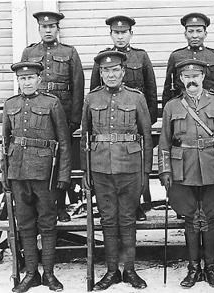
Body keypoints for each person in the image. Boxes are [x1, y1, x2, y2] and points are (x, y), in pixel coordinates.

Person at [158, 59, 214, 288]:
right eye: (186, 77)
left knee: (210, 216)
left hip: (213, 164)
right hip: (183, 168)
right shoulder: (172, 107)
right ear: (181, 80)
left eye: (196, 76)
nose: (192, 81)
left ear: (203, 77)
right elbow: (164, 141)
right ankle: (193, 269)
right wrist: (164, 170)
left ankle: (211, 269)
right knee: (191, 217)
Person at [80, 51, 152, 291]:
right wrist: (86, 171)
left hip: (130, 167)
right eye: (106, 71)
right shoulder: (91, 99)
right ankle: (112, 271)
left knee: (128, 219)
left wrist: (146, 171)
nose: (111, 75)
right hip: (100, 168)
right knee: (108, 220)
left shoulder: (136, 98)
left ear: (123, 72)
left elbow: (147, 137)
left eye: (115, 70)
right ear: (100, 74)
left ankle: (130, 270)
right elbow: (85, 137)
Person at [1, 61, 72, 292]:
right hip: (18, 173)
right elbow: (5, 143)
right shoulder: (10, 105)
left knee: (48, 224)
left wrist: (63, 174)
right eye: (23, 79)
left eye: (31, 78)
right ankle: (31, 274)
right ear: (18, 82)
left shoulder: (51, 103)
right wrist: (5, 175)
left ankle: (49, 274)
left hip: (45, 174)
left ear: (39, 80)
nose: (27, 82)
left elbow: (63, 142)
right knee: (25, 225)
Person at [90, 15, 158, 221]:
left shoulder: (141, 57)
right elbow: (95, 89)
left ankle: (136, 205)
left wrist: (148, 120)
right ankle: (108, 206)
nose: (120, 36)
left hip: (134, 120)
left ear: (131, 34)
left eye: (124, 32)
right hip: (109, 122)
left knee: (133, 166)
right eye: (116, 33)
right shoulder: (102, 58)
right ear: (111, 34)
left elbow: (151, 90)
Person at [21, 11, 85, 222]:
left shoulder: (69, 52)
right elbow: (23, 84)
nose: (48, 30)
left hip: (63, 116)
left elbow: (78, 86)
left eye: (52, 27)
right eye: (44, 27)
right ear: (39, 29)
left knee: (62, 161)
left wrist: (75, 119)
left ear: (58, 29)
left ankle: (61, 206)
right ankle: (44, 205)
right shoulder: (30, 52)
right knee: (43, 160)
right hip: (38, 118)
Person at [162, 12, 214, 107]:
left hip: (210, 105)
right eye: (191, 31)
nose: (195, 35)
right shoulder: (176, 56)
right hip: (183, 106)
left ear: (205, 34)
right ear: (185, 34)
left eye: (199, 31)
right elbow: (168, 87)